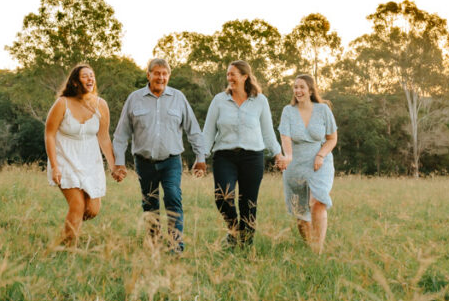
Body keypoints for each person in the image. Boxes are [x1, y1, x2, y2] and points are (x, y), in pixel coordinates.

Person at [112, 58, 204, 253]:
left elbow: (193, 129)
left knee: (172, 196)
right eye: (157, 73)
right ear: (149, 75)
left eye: (164, 74)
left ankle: (175, 246)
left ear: (168, 76)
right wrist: (119, 163)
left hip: (171, 161)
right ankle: (154, 243)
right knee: (149, 204)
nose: (161, 77)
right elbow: (121, 134)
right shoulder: (134, 99)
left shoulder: (178, 98)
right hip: (144, 162)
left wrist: (200, 157)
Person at [194, 60, 283, 248]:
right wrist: (201, 158)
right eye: (228, 74)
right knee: (223, 198)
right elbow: (208, 132)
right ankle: (234, 231)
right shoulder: (219, 100)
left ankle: (246, 245)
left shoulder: (260, 101)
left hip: (253, 157)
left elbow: (268, 132)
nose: (229, 78)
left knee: (248, 203)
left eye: (233, 74)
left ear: (245, 77)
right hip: (224, 156)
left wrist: (278, 154)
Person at [44, 64, 119, 245]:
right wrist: (55, 167)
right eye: (85, 76)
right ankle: (69, 249)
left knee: (92, 209)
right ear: (76, 82)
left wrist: (114, 166)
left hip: (90, 161)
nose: (90, 79)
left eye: (92, 76)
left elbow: (103, 137)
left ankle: (68, 230)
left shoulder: (101, 105)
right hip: (65, 159)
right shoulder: (63, 103)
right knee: (77, 205)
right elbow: (49, 134)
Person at [275, 74, 338, 254]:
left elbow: (332, 139)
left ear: (310, 90)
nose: (298, 90)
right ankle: (310, 248)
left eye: (302, 87)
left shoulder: (323, 110)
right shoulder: (288, 111)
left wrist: (321, 154)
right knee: (300, 214)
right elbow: (285, 137)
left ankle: (318, 249)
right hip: (295, 163)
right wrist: (288, 156)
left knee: (318, 201)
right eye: (295, 87)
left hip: (319, 162)